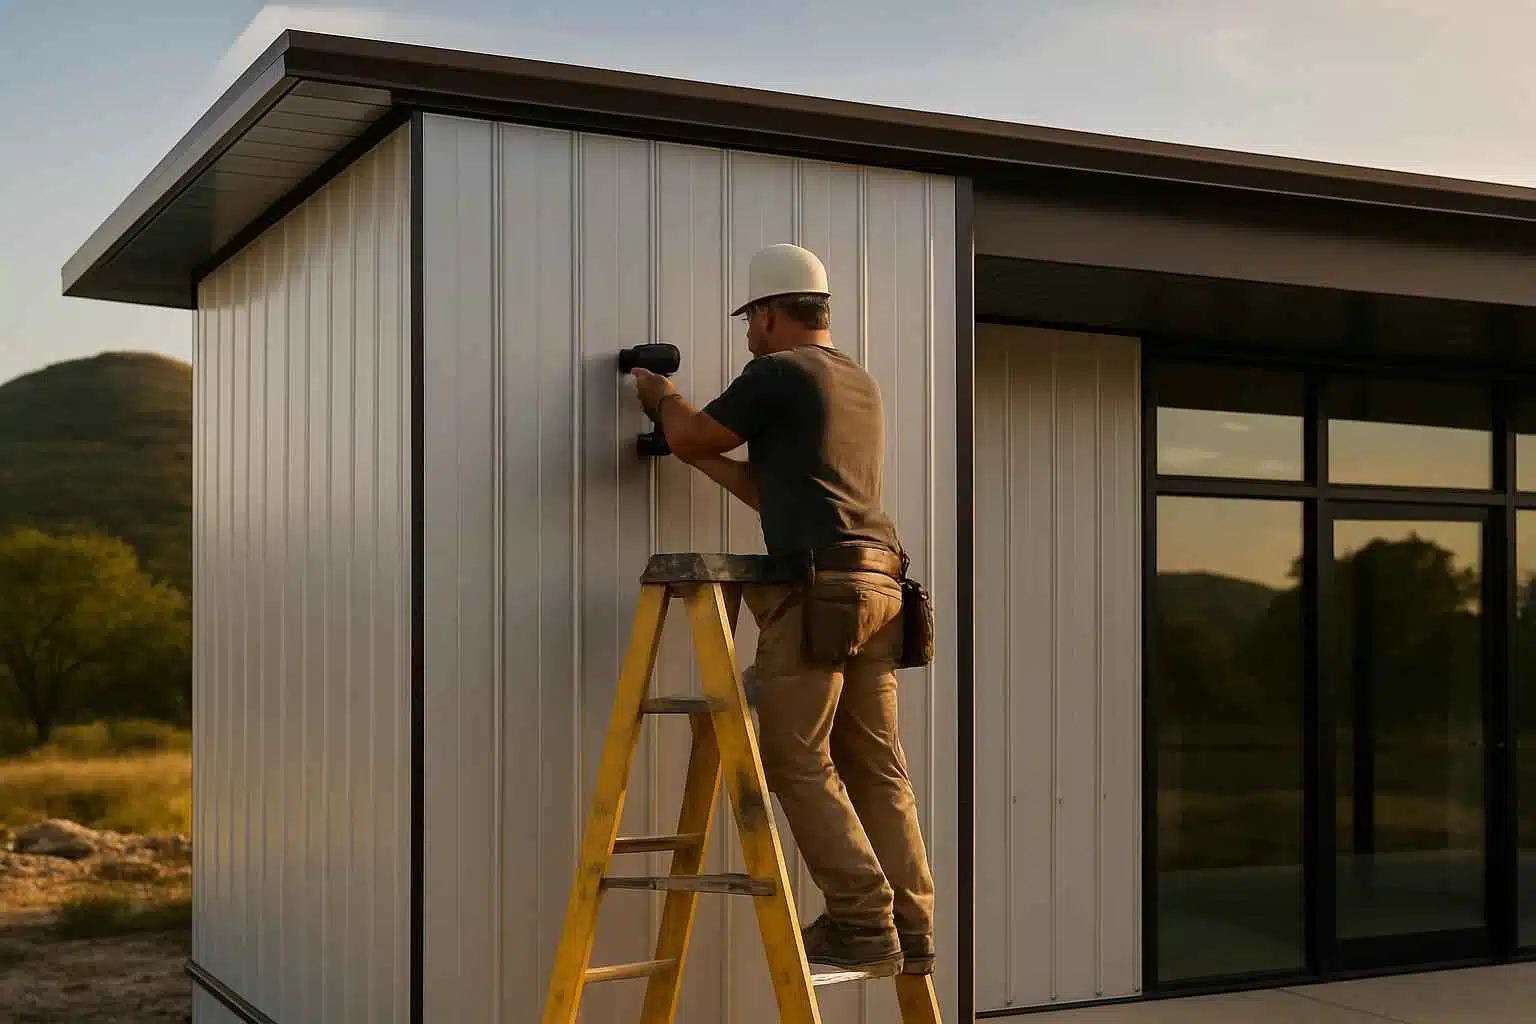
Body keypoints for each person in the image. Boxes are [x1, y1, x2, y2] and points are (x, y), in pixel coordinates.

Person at [627, 242, 936, 979]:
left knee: (796, 759)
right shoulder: (855, 381)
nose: (745, 336)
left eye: (748, 321)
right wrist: (694, 452)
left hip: (817, 592)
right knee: (876, 766)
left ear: (769, 314)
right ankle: (910, 924)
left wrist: (660, 398)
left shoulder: (777, 372)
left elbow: (698, 430)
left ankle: (861, 920)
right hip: (879, 588)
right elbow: (777, 492)